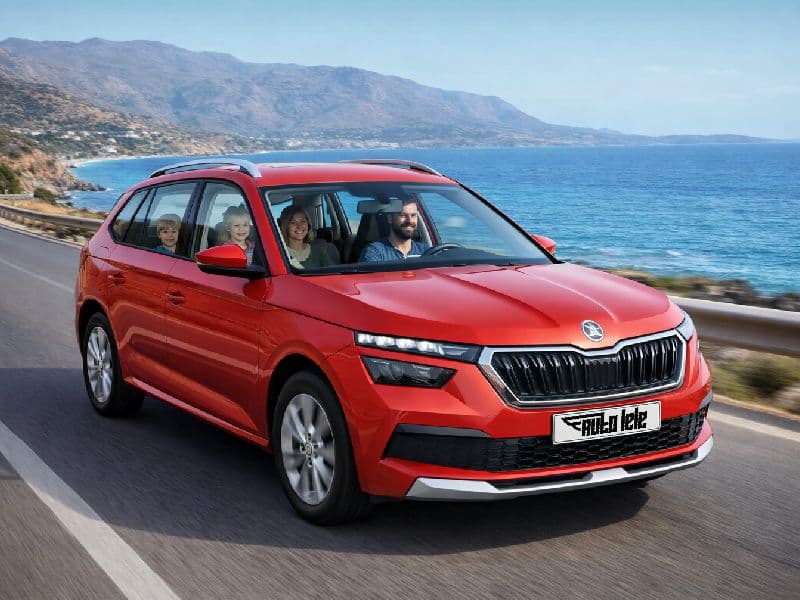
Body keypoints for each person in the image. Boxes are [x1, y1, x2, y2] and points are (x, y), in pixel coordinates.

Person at [359, 199, 430, 262]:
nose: (409, 220)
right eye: (403, 215)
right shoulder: (375, 252)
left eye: (413, 215)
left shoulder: (426, 251)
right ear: (390, 219)